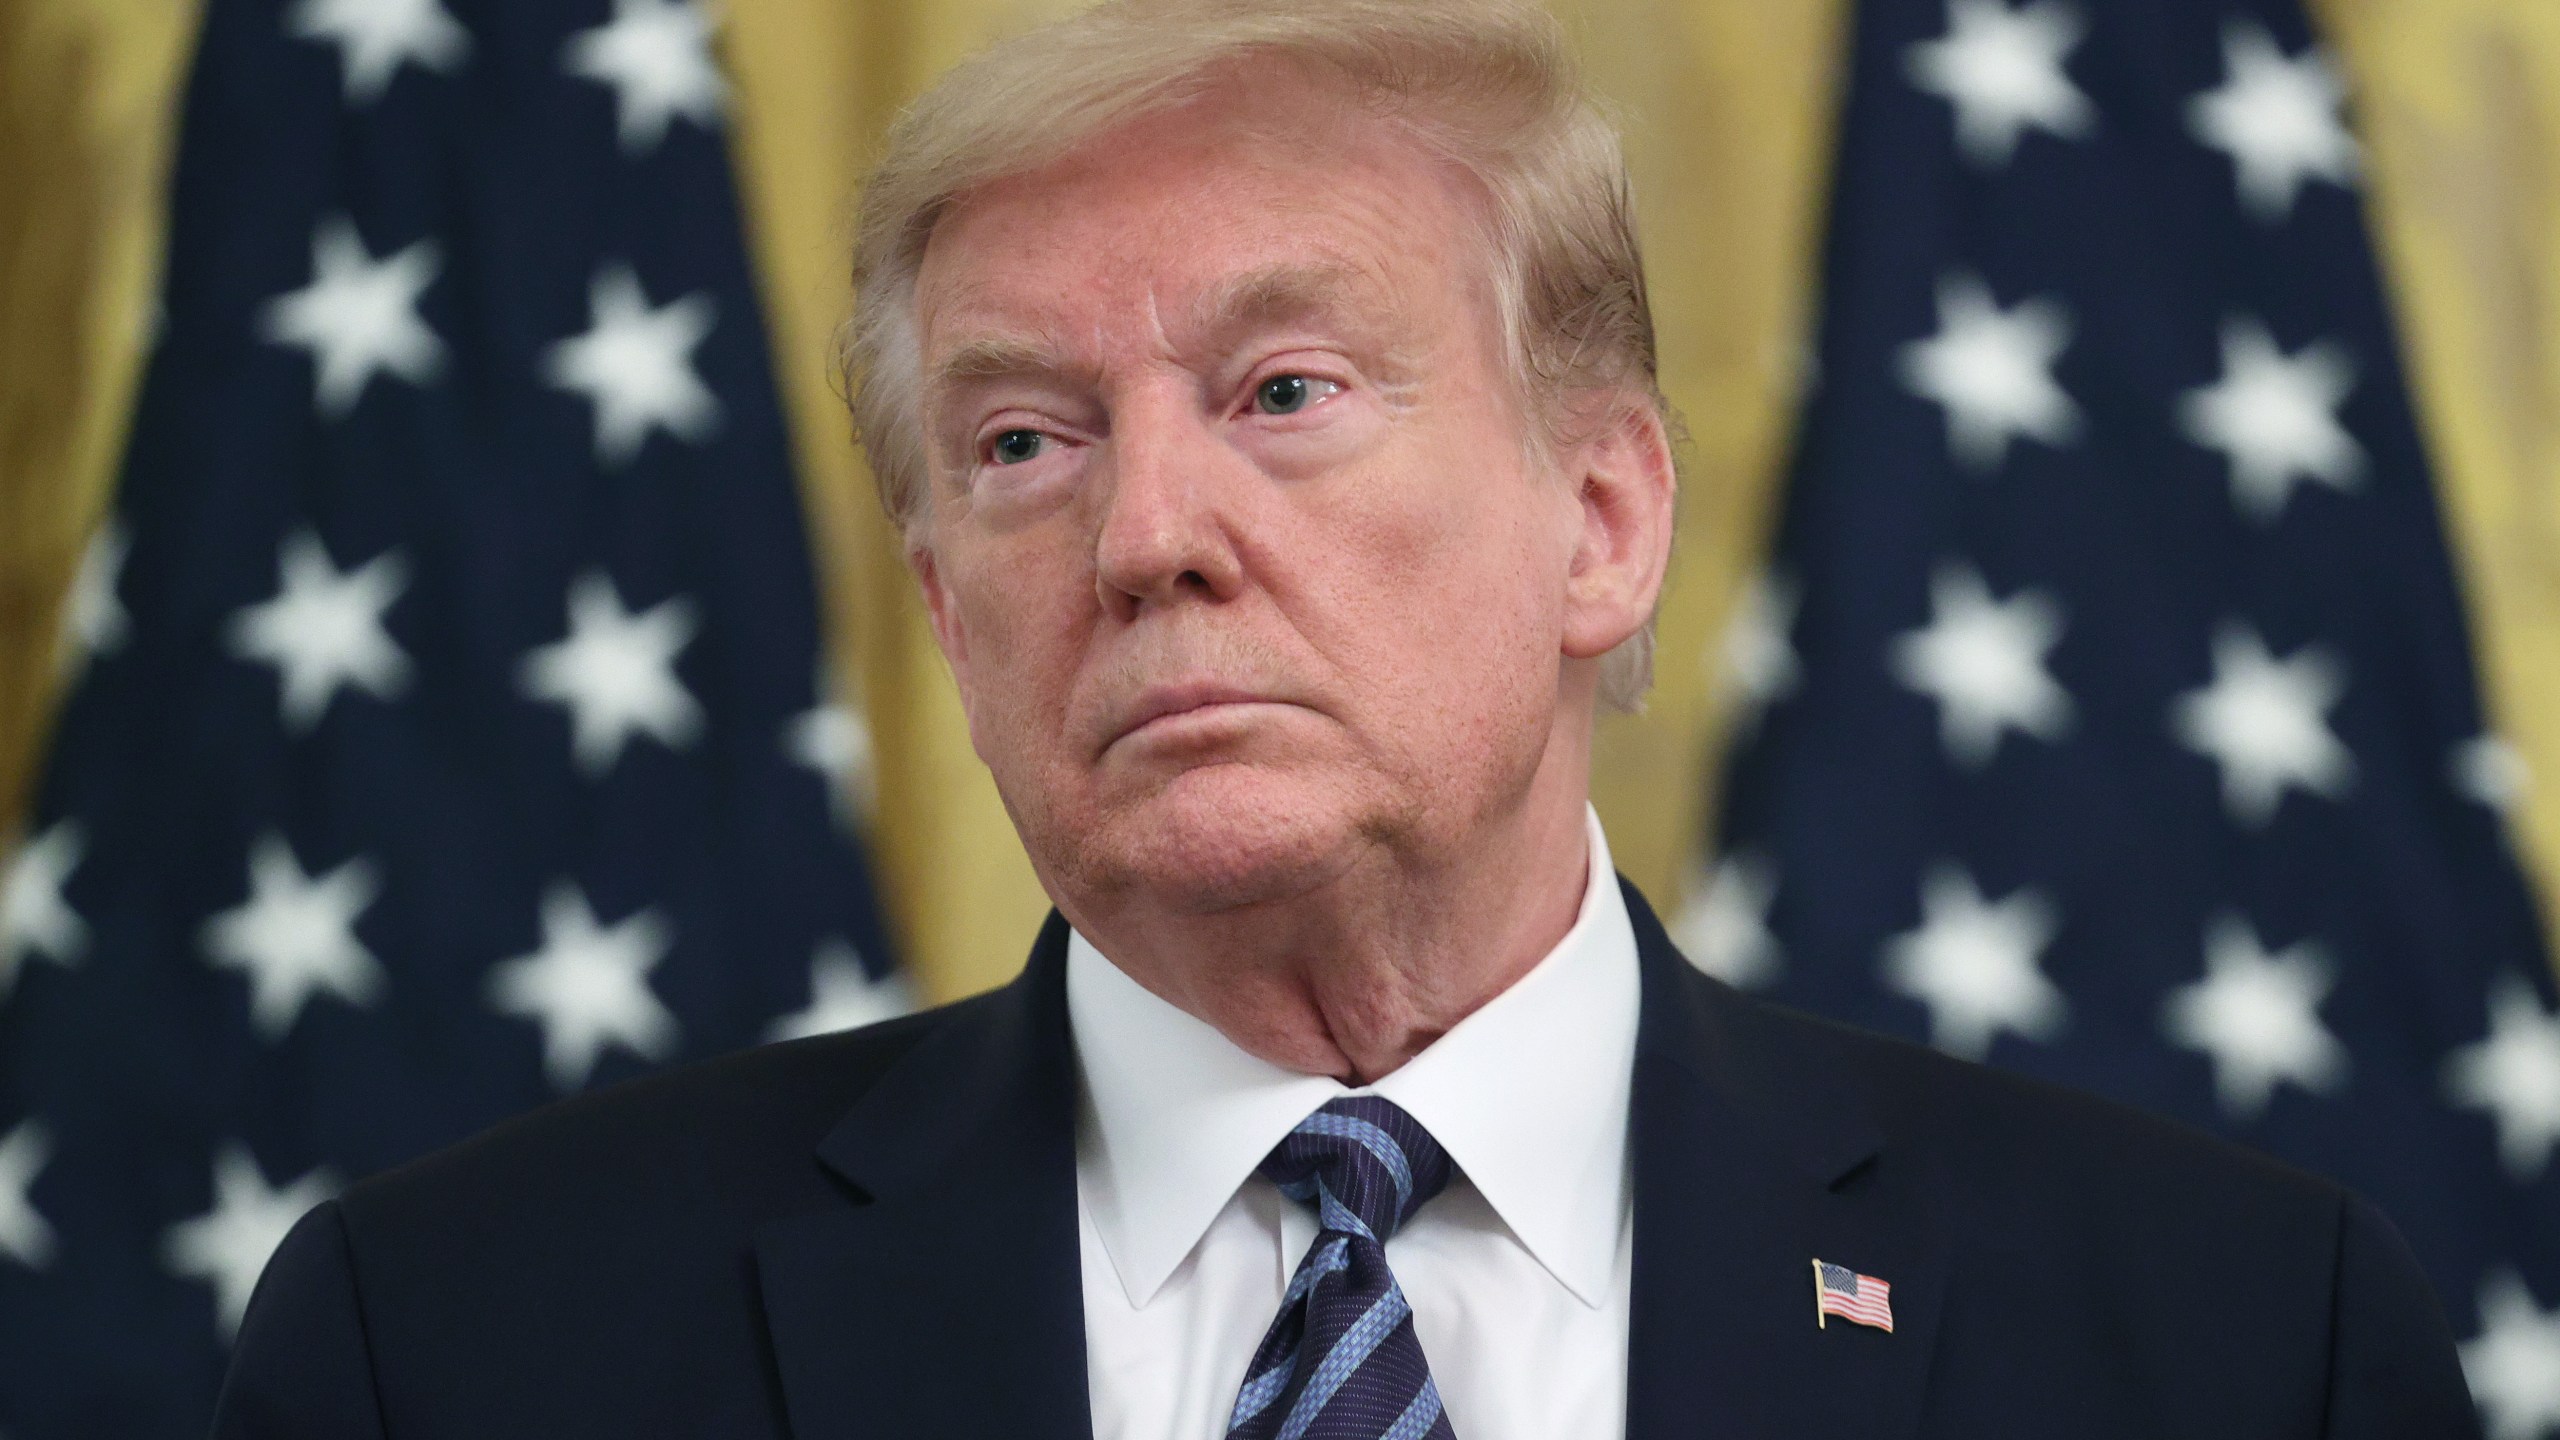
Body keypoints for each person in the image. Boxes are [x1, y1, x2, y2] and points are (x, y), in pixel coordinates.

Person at [212, 1, 2482, 1436]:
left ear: (1598, 516)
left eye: (1283, 394)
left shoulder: (2229, 1341)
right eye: (1020, 442)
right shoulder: (456, 1346)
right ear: (941, 607)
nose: (1145, 535)